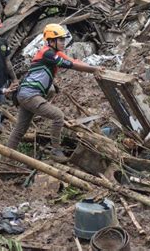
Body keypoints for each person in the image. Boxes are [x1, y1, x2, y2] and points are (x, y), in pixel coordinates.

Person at [7, 24, 102, 162]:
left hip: (25, 94)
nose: (64, 43)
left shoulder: (55, 53)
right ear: (51, 41)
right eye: (60, 40)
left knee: (20, 130)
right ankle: (55, 151)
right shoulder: (48, 53)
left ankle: (7, 157)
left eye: (63, 40)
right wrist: (94, 70)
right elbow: (71, 65)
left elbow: (74, 61)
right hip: (30, 95)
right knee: (58, 116)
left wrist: (95, 67)